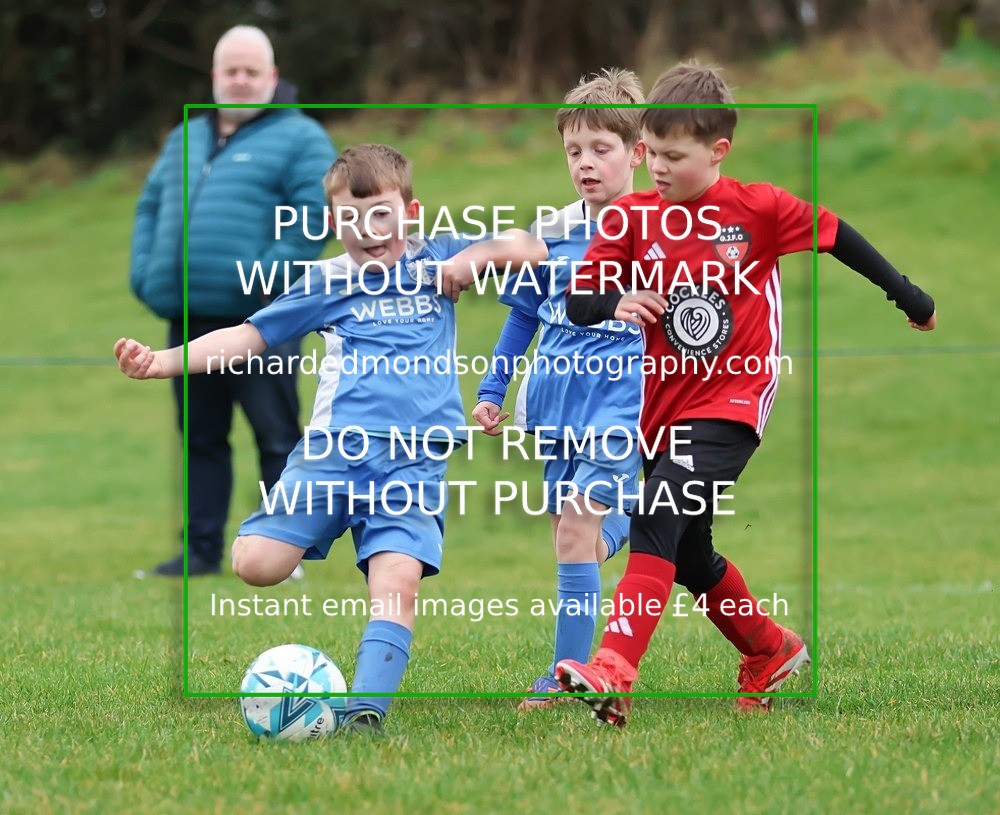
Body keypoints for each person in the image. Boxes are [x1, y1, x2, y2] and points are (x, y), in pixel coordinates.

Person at [116, 144, 548, 732]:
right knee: (256, 564)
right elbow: (247, 338)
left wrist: (472, 259)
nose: (369, 231)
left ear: (411, 212)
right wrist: (162, 362)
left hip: (412, 466)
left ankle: (365, 711)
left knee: (398, 581)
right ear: (331, 223)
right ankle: (298, 528)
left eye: (382, 216)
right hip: (332, 457)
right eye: (352, 219)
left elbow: (531, 246)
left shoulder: (438, 257)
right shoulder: (326, 281)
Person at [555, 61, 937, 725]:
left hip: (735, 399)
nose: (659, 169)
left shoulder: (757, 209)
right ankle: (768, 649)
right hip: (664, 409)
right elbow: (580, 299)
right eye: (653, 154)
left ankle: (613, 668)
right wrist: (616, 299)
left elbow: (837, 235)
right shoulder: (632, 217)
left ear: (718, 151)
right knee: (688, 552)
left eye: (675, 157)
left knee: (655, 513)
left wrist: (907, 294)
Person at [129, 25, 337, 576]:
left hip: (262, 318)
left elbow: (311, 217)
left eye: (251, 72)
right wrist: (146, 276)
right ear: (215, 77)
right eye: (230, 71)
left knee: (275, 434)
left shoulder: (302, 138)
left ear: (271, 77)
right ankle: (198, 555)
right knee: (199, 438)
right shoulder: (185, 136)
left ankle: (286, 553)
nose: (240, 80)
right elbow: (150, 205)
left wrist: (261, 278)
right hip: (188, 317)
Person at [471, 69, 645, 708]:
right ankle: (640, 523)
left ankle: (565, 672)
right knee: (576, 542)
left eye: (602, 149)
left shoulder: (661, 231)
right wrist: (493, 389)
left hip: (624, 400)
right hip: (553, 404)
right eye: (575, 151)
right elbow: (520, 317)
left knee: (576, 529)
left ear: (639, 153)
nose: (586, 164)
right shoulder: (549, 232)